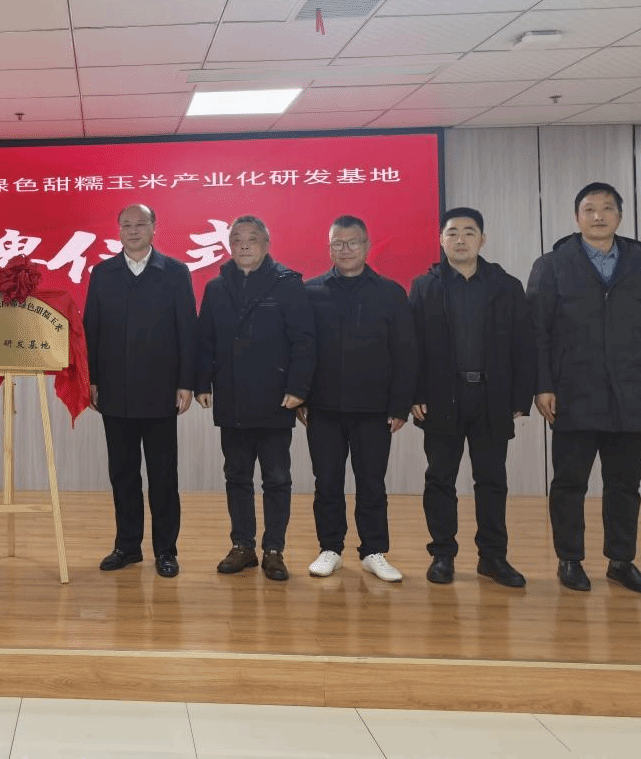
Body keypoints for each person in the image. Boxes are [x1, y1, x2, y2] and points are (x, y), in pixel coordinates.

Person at [527, 182, 641, 594]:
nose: (599, 216)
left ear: (620, 215)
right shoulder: (553, 264)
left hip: (630, 392)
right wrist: (542, 384)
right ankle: (570, 559)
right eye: (590, 208)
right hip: (572, 392)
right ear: (576, 217)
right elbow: (537, 331)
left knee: (624, 485)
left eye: (607, 208)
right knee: (569, 483)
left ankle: (621, 560)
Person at [409, 207, 534, 588]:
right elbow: (412, 346)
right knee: (440, 479)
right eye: (452, 232)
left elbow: (523, 343)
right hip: (441, 397)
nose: (460, 239)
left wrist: (520, 397)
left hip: (492, 397)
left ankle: (493, 557)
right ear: (441, 239)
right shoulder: (424, 286)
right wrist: (415, 393)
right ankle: (442, 555)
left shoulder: (506, 286)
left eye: (469, 232)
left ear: (482, 239)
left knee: (492, 480)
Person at [195, 215, 315, 582]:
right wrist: (202, 384)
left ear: (266, 244)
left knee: (276, 479)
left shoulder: (287, 284)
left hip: (276, 399)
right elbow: (205, 341)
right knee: (236, 476)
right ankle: (242, 546)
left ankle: (274, 550)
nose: (244, 244)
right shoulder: (216, 287)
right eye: (237, 239)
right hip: (231, 397)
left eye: (252, 238)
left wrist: (298, 388)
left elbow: (304, 340)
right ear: (229, 245)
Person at [300, 216, 416, 583]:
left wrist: (400, 405)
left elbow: (405, 352)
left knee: (372, 483)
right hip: (323, 408)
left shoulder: (390, 293)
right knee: (326, 482)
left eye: (352, 242)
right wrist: (300, 396)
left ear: (366, 246)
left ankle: (373, 551)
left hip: (374, 409)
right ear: (329, 247)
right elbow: (301, 349)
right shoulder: (310, 291)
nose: (345, 249)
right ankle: (330, 548)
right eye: (338, 243)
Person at [83, 204, 197, 578]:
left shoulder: (175, 272)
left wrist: (186, 382)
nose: (133, 230)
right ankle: (127, 546)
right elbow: (91, 329)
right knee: (123, 474)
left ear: (154, 227)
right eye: (126, 225)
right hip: (114, 391)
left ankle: (166, 550)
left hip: (161, 390)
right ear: (118, 230)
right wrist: (91, 380)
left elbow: (187, 330)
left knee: (163, 476)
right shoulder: (103, 273)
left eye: (140, 224)